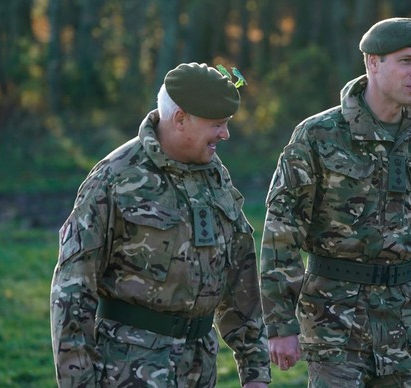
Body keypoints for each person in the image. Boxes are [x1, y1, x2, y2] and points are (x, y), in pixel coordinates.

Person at [259, 17, 411, 387]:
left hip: (402, 327)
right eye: (405, 61)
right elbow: (281, 233)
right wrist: (280, 324)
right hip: (333, 322)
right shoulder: (319, 135)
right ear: (373, 62)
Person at [50, 62, 271, 387]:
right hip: (129, 370)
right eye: (217, 124)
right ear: (180, 119)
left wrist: (256, 372)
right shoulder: (116, 179)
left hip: (200, 369)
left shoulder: (214, 176)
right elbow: (71, 291)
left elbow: (241, 275)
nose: (225, 134)